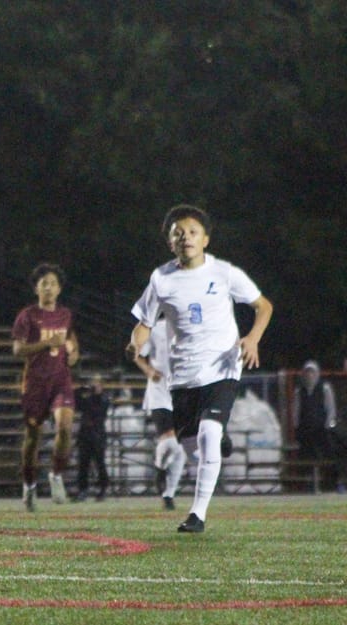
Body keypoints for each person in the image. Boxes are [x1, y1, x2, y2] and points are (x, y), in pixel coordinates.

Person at [127, 204, 273, 533]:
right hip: (182, 376)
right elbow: (144, 324)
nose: (186, 237)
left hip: (222, 366)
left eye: (193, 232)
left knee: (208, 434)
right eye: (178, 233)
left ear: (205, 239)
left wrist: (252, 338)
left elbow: (263, 306)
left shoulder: (224, 273)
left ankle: (198, 514)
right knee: (192, 445)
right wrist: (136, 342)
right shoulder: (161, 278)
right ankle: (218, 443)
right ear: (170, 242)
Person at [12, 263, 80, 511]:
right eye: (44, 284)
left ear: (60, 288)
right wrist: (46, 343)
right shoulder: (27, 316)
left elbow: (70, 337)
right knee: (33, 438)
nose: (49, 287)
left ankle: (56, 476)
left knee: (65, 427)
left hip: (60, 380)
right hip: (35, 384)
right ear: (36, 289)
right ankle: (29, 485)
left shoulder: (65, 314)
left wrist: (74, 353)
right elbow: (18, 349)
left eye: (53, 283)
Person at [132, 316, 184, 510]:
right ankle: (160, 466)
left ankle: (169, 494)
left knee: (180, 449)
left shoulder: (191, 327)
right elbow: (138, 353)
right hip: (159, 392)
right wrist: (148, 371)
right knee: (170, 442)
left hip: (182, 393)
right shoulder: (156, 329)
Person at [292, 360, 344, 494]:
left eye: (312, 372)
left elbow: (330, 407)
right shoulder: (300, 390)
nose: (309, 375)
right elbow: (296, 410)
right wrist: (296, 426)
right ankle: (311, 484)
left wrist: (329, 424)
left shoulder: (324, 388)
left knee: (329, 455)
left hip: (322, 429)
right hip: (306, 430)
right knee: (308, 457)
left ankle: (337, 482)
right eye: (307, 372)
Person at [73, 375, 110, 502]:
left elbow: (98, 411)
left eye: (97, 384)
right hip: (85, 435)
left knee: (100, 464)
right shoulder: (87, 399)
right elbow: (75, 400)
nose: (95, 386)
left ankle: (103, 489)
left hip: (98, 435)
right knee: (83, 464)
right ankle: (83, 490)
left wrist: (94, 394)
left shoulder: (104, 399)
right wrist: (82, 389)